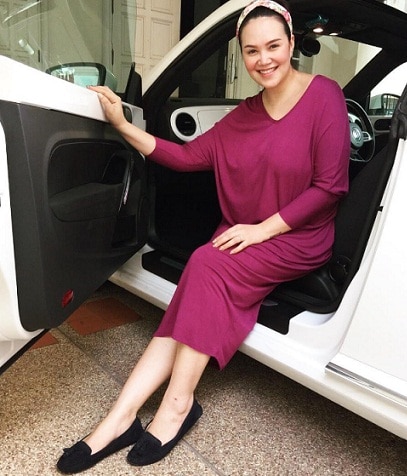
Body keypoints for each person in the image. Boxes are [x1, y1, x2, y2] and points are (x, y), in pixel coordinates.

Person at [56, 0, 350, 473]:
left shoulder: (324, 96)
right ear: (241, 54)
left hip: (298, 237)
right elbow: (187, 157)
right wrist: (123, 126)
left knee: (208, 262)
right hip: (244, 235)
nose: (264, 59)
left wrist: (261, 230)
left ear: (292, 43)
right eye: (252, 51)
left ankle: (177, 405)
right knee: (202, 269)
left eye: (273, 46)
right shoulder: (245, 115)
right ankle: (120, 418)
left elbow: (330, 187)